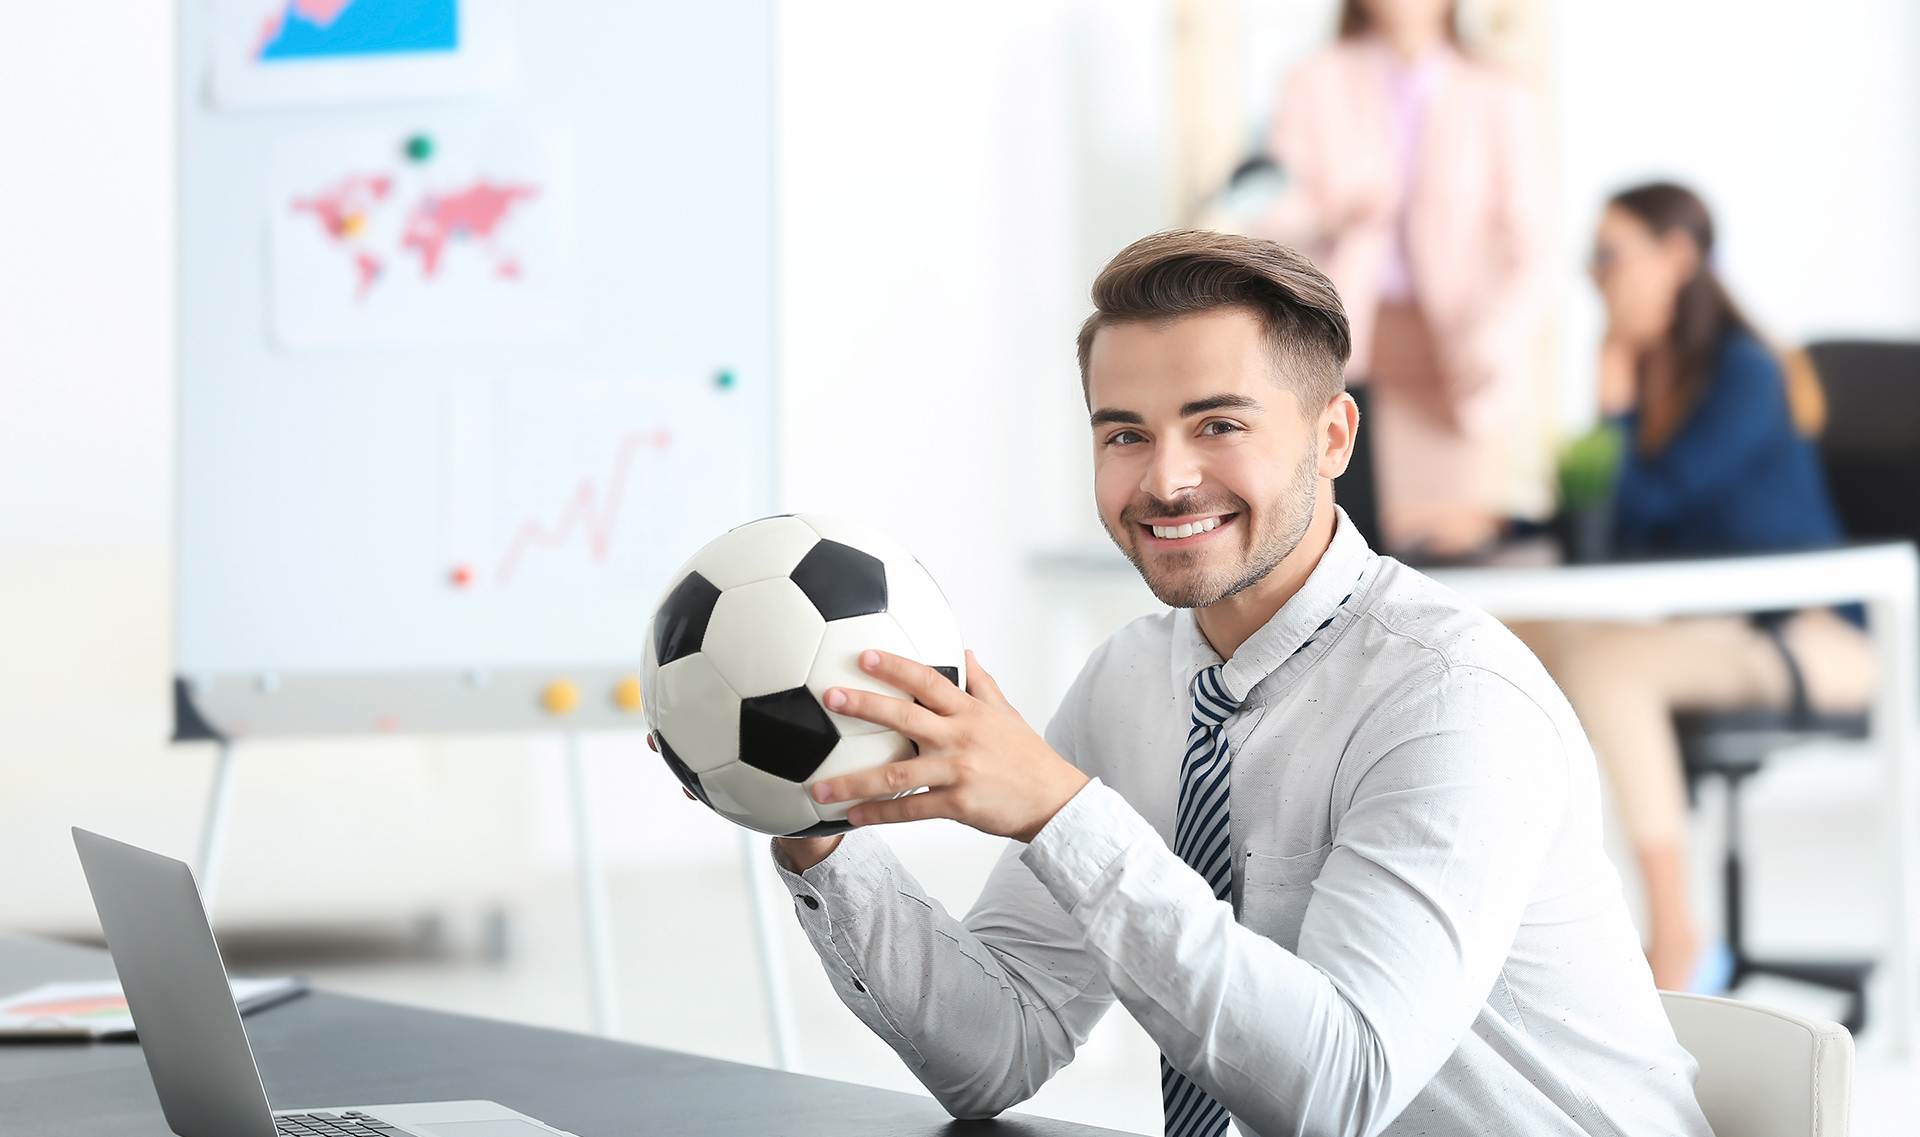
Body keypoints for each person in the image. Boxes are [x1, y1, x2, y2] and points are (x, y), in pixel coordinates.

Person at [769, 231, 1710, 1137]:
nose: (1167, 480)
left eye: (1218, 424)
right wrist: (815, 826)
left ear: (1333, 436)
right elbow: (996, 1052)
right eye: (1125, 435)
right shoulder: (1130, 682)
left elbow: (1341, 1094)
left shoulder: (1452, 699)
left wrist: (1062, 816)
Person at [1513, 183, 1876, 991]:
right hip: (1727, 632)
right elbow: (1614, 535)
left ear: (1678, 257)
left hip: (1820, 638)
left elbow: (1648, 500)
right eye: (1591, 261)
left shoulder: (1745, 374)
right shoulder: (1659, 384)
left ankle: (1676, 934)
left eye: (1611, 257)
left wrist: (1610, 395)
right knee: (1507, 634)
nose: (1598, 280)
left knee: (1607, 661)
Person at [1255, 0, 1544, 558]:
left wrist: (1494, 341)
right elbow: (1271, 208)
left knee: (1453, 557)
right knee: (1345, 555)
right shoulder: (1316, 79)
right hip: (1351, 348)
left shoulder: (1499, 92)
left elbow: (1529, 251)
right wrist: (1332, 214)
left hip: (1456, 365)